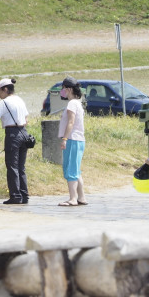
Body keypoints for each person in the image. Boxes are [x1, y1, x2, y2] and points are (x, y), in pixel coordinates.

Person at [57, 76, 88, 206]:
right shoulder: (77, 103)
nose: (62, 91)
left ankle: (73, 198)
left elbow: (71, 122)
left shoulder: (72, 104)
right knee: (76, 170)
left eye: (63, 88)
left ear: (68, 89)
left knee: (70, 170)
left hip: (72, 139)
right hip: (79, 140)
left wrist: (64, 138)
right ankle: (81, 197)